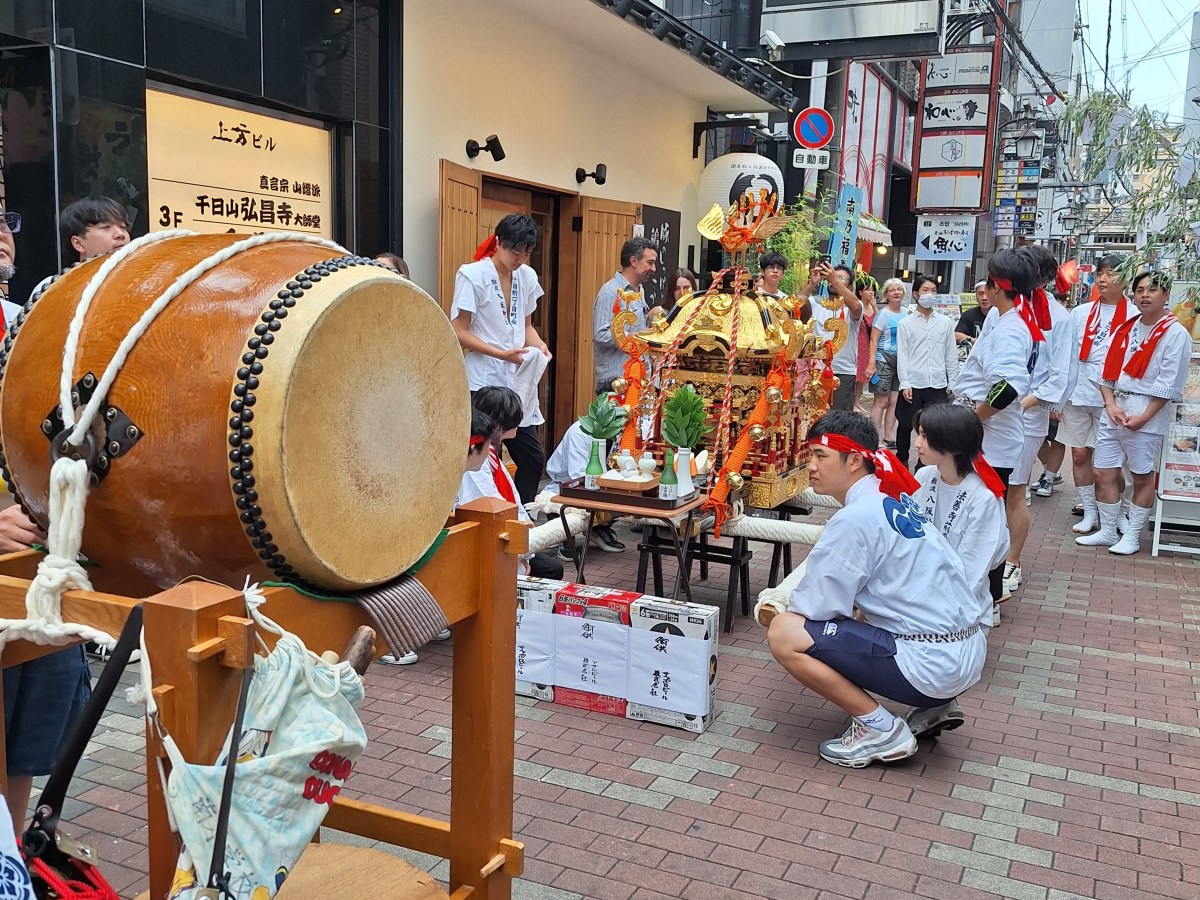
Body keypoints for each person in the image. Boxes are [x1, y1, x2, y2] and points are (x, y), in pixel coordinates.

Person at [764, 411, 987, 767]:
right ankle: (936, 706)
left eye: (821, 456)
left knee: (785, 632)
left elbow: (816, 609)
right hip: (968, 653)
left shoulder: (855, 517)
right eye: (811, 457)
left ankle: (880, 729)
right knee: (856, 618)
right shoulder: (893, 498)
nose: (812, 467)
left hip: (931, 665)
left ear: (854, 460)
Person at [2, 208, 93, 832]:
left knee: (26, 737)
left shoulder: (21, 325)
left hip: (32, 567)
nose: (4, 230)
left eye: (5, 218)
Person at [1077, 270, 1191, 555]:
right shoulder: (1124, 328)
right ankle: (1107, 529)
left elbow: (1169, 383)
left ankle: (1132, 535)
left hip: (1146, 412)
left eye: (1152, 290)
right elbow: (1105, 373)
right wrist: (1110, 404)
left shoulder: (1176, 333)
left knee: (1142, 477)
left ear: (1166, 295)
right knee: (1102, 471)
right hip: (1115, 407)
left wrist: (1144, 417)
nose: (1145, 295)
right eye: (1140, 290)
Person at [952, 249, 1040, 605]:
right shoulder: (1003, 319)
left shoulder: (1011, 328)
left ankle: (989, 594)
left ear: (999, 285)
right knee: (979, 513)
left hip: (991, 439)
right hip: (987, 434)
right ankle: (988, 590)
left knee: (984, 517)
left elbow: (1008, 387)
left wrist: (972, 418)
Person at [378, 409, 497, 666]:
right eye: (488, 446)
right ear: (473, 448)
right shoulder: (430, 470)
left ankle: (425, 621)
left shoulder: (450, 464)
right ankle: (386, 641)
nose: (489, 453)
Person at [450, 213, 552, 504]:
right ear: (498, 243)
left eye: (526, 252)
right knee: (477, 458)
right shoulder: (472, 274)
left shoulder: (527, 276)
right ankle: (485, 522)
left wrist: (541, 346)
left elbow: (527, 327)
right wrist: (500, 353)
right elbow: (459, 331)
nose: (519, 258)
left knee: (532, 458)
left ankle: (521, 522)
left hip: (517, 381)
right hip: (483, 382)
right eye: (514, 250)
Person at [1001, 246, 1071, 597]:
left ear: (1042, 279)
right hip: (994, 415)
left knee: (1015, 490)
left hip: (1025, 417)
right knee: (987, 489)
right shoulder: (1008, 309)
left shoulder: (1059, 318)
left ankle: (1011, 562)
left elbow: (1057, 379)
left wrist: (1014, 404)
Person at [913, 402, 1010, 631]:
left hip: (959, 612)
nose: (917, 443)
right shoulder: (924, 476)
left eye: (925, 436)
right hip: (918, 594)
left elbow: (972, 572)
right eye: (919, 434)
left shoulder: (983, 498)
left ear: (951, 442)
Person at [1062, 255, 1135, 534]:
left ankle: (1118, 514)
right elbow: (1066, 355)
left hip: (1116, 397)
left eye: (1110, 274)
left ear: (1124, 279)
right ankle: (1089, 511)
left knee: (1114, 462)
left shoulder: (1134, 314)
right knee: (1080, 455)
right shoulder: (1080, 313)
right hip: (1079, 391)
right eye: (1100, 274)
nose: (1103, 279)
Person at [461, 386, 566, 580]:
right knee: (549, 570)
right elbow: (490, 505)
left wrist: (525, 525)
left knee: (551, 567)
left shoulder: (489, 453)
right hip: (493, 539)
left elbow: (512, 498)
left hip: (510, 531)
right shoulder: (474, 460)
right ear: (498, 425)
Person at [895, 274, 957, 468]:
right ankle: (902, 457)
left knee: (932, 427)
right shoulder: (906, 323)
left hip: (937, 382)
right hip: (913, 381)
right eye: (925, 291)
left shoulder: (945, 323)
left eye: (933, 291)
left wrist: (952, 381)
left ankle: (924, 465)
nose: (929, 295)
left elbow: (950, 353)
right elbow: (902, 354)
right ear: (915, 294)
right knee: (905, 424)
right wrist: (904, 382)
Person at [544, 418, 625, 555]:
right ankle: (566, 535)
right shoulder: (580, 431)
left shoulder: (622, 428)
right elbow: (578, 474)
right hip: (568, 483)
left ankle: (599, 528)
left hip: (603, 479)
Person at [28, 197, 130, 300]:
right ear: (78, 243)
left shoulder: (141, 282)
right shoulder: (55, 289)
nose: (120, 234)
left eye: (123, 227)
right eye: (105, 227)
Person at [592, 237, 657, 395]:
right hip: (616, 383)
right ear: (633, 261)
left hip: (637, 379)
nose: (654, 268)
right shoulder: (610, 292)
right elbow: (600, 334)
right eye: (650, 262)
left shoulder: (639, 291)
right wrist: (630, 336)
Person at [807, 262, 864, 411]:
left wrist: (834, 280)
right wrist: (812, 284)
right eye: (832, 276)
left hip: (842, 372)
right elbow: (796, 305)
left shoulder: (853, 307)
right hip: (814, 371)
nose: (834, 280)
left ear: (850, 288)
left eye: (841, 278)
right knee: (812, 419)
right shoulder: (815, 302)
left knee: (839, 421)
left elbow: (857, 307)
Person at [866, 277, 907, 449]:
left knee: (895, 401)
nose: (896, 292)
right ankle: (873, 439)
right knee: (881, 401)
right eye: (892, 290)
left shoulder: (907, 313)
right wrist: (871, 364)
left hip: (902, 361)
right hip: (883, 359)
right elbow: (873, 339)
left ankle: (889, 437)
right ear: (886, 295)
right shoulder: (883, 314)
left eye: (899, 289)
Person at [853, 277, 878, 415]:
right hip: (858, 342)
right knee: (855, 373)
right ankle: (853, 402)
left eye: (872, 290)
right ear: (860, 291)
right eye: (868, 290)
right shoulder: (857, 305)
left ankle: (857, 402)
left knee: (863, 375)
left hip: (869, 343)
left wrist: (874, 306)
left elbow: (880, 322)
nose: (871, 292)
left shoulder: (872, 307)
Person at [955, 280, 992, 345]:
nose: (984, 298)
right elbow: (956, 335)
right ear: (976, 297)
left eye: (987, 293)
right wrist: (974, 340)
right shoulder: (969, 314)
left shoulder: (1000, 314)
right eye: (980, 294)